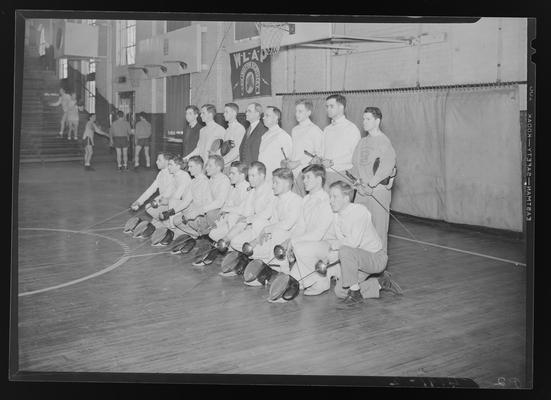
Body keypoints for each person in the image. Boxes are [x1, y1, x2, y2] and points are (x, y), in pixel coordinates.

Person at [325, 181, 401, 305]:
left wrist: (336, 247)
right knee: (340, 292)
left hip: (376, 258)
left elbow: (352, 243)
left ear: (345, 198)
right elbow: (339, 241)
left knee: (345, 250)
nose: (331, 200)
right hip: (358, 259)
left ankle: (355, 294)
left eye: (335, 197)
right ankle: (379, 283)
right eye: (330, 197)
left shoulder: (359, 211)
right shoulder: (336, 215)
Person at [349, 107, 397, 253]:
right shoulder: (362, 142)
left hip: (377, 192)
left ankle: (381, 267)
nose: (364, 122)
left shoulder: (384, 142)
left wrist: (371, 184)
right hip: (362, 191)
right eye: (363, 118)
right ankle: (363, 265)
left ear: (377, 121)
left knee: (378, 230)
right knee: (358, 228)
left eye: (368, 119)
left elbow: (387, 167)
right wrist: (357, 183)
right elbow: (355, 165)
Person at [285, 164, 334, 294]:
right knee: (291, 282)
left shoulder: (327, 201)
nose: (304, 181)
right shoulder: (306, 199)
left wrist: (295, 242)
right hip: (308, 246)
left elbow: (318, 234)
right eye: (303, 178)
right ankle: (309, 276)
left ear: (319, 180)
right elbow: (300, 226)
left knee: (299, 247)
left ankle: (322, 281)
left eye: (308, 177)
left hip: (327, 246)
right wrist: (291, 240)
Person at [247, 168, 302, 268]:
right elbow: (268, 217)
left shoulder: (296, 200)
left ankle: (278, 267)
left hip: (290, 239)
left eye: (276, 183)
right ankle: (262, 264)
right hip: (276, 236)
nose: (272, 186)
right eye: (273, 183)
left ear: (286, 184)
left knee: (278, 231)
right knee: (259, 224)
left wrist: (267, 229)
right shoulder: (276, 199)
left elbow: (287, 225)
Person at [223, 161, 275, 253]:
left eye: (253, 176)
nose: (250, 179)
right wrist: (227, 237)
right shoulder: (252, 191)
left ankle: (262, 255)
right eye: (249, 176)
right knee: (234, 242)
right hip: (252, 226)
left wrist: (248, 219)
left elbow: (267, 214)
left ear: (262, 176)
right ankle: (226, 241)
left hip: (266, 228)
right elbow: (246, 212)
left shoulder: (270, 190)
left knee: (256, 223)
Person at [311, 94, 361, 188]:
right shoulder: (327, 129)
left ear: (341, 107)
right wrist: (318, 159)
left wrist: (333, 162)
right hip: (326, 174)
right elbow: (322, 153)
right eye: (327, 107)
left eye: (331, 106)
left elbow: (355, 157)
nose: (328, 109)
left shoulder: (351, 129)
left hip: (343, 174)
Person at [177, 155, 231, 240]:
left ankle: (212, 235)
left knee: (209, 212)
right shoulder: (210, 180)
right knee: (185, 215)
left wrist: (199, 211)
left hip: (221, 215)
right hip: (208, 212)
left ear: (218, 168)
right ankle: (201, 234)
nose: (206, 168)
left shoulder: (224, 180)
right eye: (206, 166)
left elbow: (219, 202)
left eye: (210, 166)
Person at [284, 99, 324, 196]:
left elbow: (319, 155)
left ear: (308, 113)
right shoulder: (295, 130)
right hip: (293, 172)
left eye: (300, 111)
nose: (297, 114)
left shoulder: (315, 130)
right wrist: (289, 161)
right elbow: (295, 151)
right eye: (296, 111)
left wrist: (298, 162)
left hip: (306, 173)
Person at [208, 161, 250, 242]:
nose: (229, 176)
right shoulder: (233, 188)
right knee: (212, 234)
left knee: (232, 216)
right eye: (230, 173)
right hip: (229, 221)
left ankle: (231, 246)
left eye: (233, 173)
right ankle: (225, 245)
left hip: (240, 223)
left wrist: (226, 209)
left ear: (242, 175)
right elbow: (228, 204)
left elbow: (242, 210)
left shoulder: (247, 189)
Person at [171, 156, 212, 233]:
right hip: (194, 211)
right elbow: (186, 201)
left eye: (191, 166)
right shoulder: (193, 181)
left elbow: (207, 206)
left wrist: (191, 214)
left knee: (177, 220)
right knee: (175, 217)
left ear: (199, 167)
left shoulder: (205, 182)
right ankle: (187, 232)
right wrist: (172, 211)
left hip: (202, 216)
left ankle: (196, 234)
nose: (189, 169)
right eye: (188, 167)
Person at [258, 106, 293, 178]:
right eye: (264, 116)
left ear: (276, 118)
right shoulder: (264, 135)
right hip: (263, 175)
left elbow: (287, 161)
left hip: (275, 177)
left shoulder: (283, 135)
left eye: (267, 115)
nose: (263, 118)